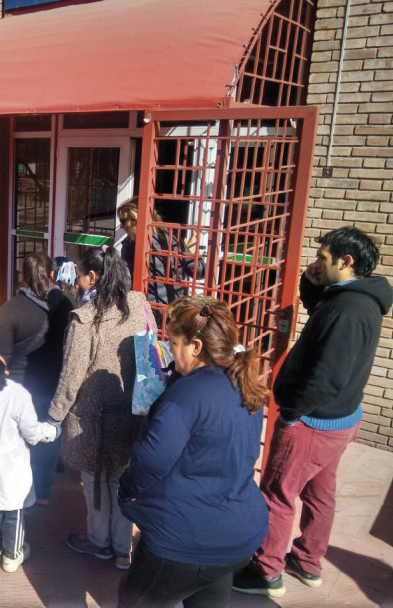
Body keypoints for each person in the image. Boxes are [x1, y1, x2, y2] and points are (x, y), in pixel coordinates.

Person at [233, 226, 393, 598]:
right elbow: (319, 308)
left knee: (277, 492)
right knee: (321, 493)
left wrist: (292, 413)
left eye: (323, 257)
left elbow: (326, 377)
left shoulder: (348, 311)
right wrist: (310, 280)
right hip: (339, 420)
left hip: (314, 422)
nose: (317, 262)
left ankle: (266, 570)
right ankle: (307, 562)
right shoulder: (353, 297)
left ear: (346, 261)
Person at [117, 299, 269, 608]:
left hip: (185, 539)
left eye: (173, 343)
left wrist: (126, 490)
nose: (170, 350)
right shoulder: (244, 383)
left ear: (196, 346)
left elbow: (151, 461)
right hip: (238, 532)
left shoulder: (183, 399)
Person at [48, 246, 153, 571]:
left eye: (80, 274)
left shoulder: (86, 319)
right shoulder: (138, 304)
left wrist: (54, 415)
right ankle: (123, 548)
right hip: (131, 408)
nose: (77, 280)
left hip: (93, 416)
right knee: (119, 480)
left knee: (94, 482)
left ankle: (99, 542)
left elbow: (71, 375)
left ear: (93, 276)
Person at [0, 251, 74, 504]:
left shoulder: (10, 309)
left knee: (16, 439)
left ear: (22, 277)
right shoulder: (67, 306)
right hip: (52, 384)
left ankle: (16, 488)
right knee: (47, 438)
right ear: (51, 275)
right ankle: (42, 491)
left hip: (16, 386)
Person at [0, 351, 60, 572]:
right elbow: (32, 433)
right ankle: (12, 554)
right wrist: (51, 432)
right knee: (13, 510)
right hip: (11, 465)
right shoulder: (17, 394)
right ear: (0, 374)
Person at [115, 199, 204, 328]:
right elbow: (199, 272)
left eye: (123, 221)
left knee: (152, 347)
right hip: (176, 306)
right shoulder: (170, 237)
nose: (122, 226)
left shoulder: (131, 245)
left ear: (135, 219)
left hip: (150, 310)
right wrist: (194, 254)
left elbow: (126, 283)